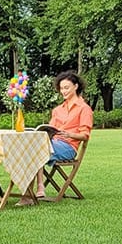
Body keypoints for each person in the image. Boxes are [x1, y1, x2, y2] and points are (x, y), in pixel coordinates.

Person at [17, 71, 93, 206]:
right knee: (29, 147)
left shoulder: (84, 109)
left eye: (66, 88)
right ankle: (31, 192)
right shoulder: (58, 110)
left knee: (34, 149)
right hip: (51, 143)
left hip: (68, 147)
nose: (63, 91)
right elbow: (49, 128)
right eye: (61, 88)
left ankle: (31, 193)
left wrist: (69, 134)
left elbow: (85, 135)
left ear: (76, 86)